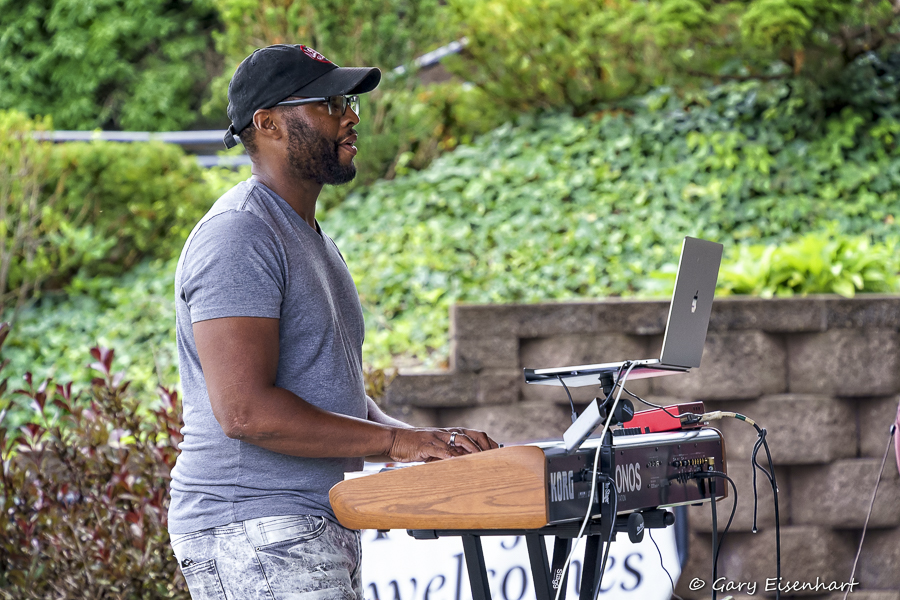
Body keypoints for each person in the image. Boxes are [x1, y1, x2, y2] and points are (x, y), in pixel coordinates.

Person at [167, 44, 498, 600]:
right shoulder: (238, 236)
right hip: (254, 526)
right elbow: (246, 411)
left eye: (349, 103)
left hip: (300, 524)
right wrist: (397, 442)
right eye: (330, 104)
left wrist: (428, 444)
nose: (351, 118)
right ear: (268, 123)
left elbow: (329, 394)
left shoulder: (307, 237)